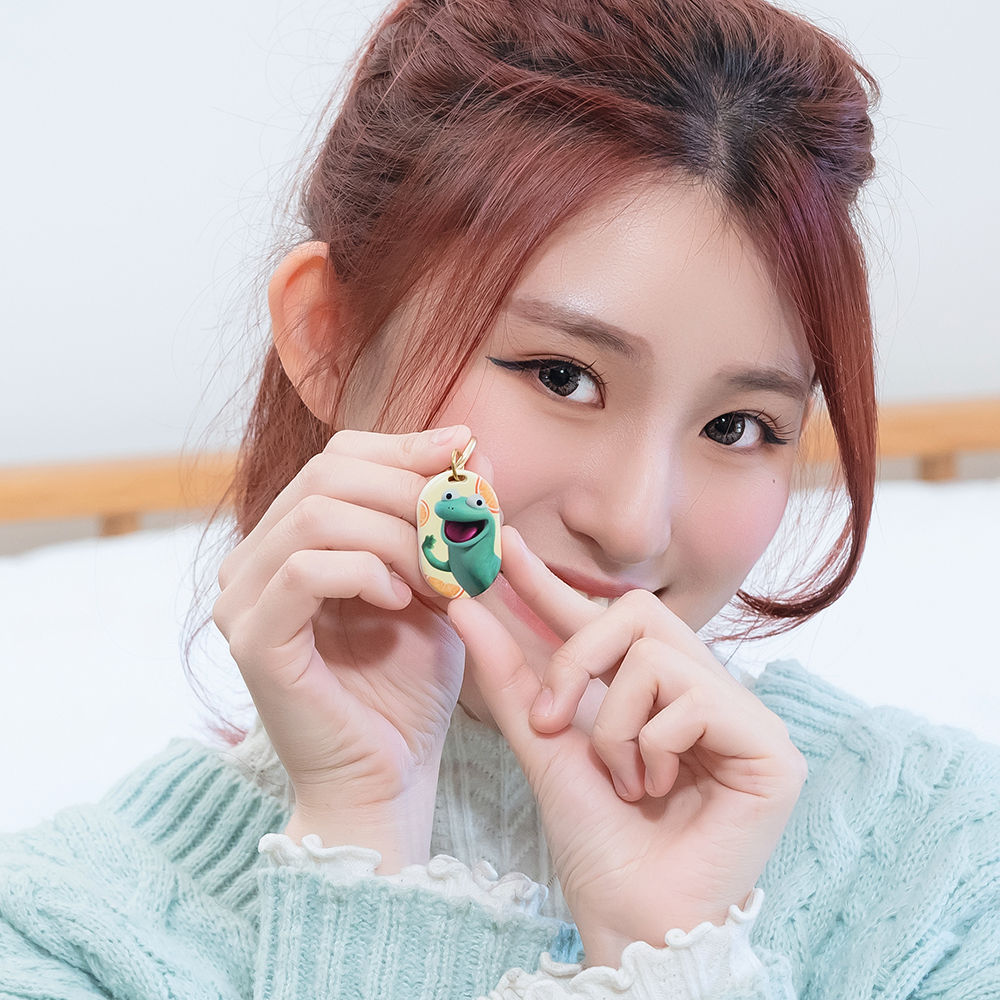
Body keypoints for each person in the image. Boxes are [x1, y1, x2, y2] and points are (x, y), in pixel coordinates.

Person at [2, 0, 998, 996]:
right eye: (562, 376)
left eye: (737, 426)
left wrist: (673, 953)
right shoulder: (68, 933)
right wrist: (362, 840)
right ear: (328, 337)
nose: (634, 522)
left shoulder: (948, 865)